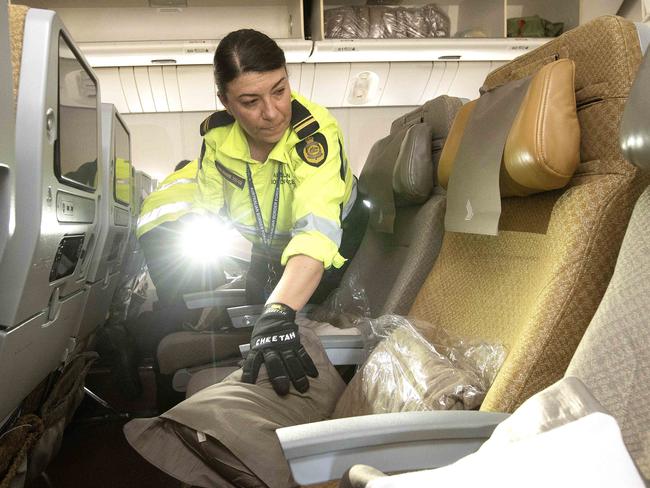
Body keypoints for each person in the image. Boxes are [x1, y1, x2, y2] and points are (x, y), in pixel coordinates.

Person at [197, 29, 368, 395]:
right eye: (250, 101)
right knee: (258, 319)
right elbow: (209, 211)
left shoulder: (313, 136)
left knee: (297, 323)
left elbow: (317, 233)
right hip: (269, 244)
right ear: (225, 103)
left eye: (279, 90)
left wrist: (280, 310)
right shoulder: (216, 140)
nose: (272, 113)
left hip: (332, 243)